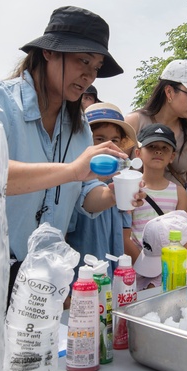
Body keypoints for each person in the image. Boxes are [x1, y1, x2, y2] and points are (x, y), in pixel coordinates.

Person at [0, 6, 135, 291]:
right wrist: (71, 170)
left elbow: (84, 194)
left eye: (95, 67)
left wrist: (111, 194)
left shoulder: (79, 126)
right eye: (82, 61)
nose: (88, 76)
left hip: (45, 273)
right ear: (48, 52)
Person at [127, 60, 187, 226]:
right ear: (169, 92)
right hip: (134, 217)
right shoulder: (134, 123)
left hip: (175, 218)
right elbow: (117, 170)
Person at [65, 102, 136, 271]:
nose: (107, 146)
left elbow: (125, 236)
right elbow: (90, 198)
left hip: (111, 276)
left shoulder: (122, 182)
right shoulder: (73, 180)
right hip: (81, 278)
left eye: (114, 140)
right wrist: (112, 195)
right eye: (99, 139)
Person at [125, 124, 187, 271]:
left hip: (171, 266)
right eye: (151, 146)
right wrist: (144, 267)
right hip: (138, 266)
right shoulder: (132, 189)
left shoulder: (179, 192)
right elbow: (126, 236)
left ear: (172, 156)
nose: (158, 151)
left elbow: (184, 234)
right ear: (138, 153)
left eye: (165, 148)